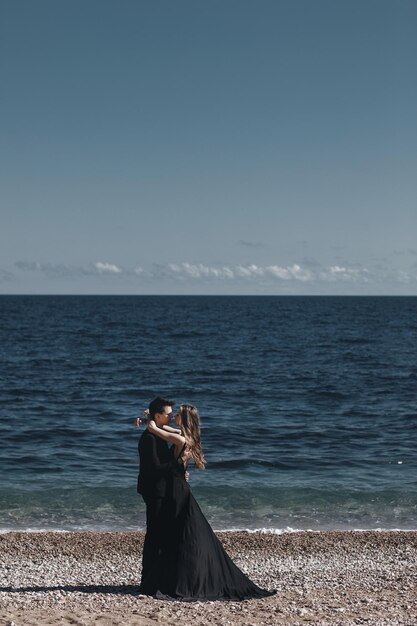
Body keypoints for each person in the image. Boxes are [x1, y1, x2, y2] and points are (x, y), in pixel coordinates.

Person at [139, 403, 275, 601]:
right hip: (179, 489)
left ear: (184, 419)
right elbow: (162, 428)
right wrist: (148, 418)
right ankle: (172, 575)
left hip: (176, 491)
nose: (173, 416)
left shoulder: (179, 438)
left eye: (176, 414)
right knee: (182, 533)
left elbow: (154, 429)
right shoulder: (185, 435)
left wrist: (149, 421)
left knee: (181, 534)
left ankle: (181, 578)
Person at [136, 396, 179, 588]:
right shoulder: (149, 439)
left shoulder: (157, 432)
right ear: (158, 415)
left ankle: (157, 578)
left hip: (160, 489)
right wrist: (177, 463)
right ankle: (148, 580)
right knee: (154, 534)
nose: (170, 417)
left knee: (160, 533)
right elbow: (154, 468)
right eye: (168, 415)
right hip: (154, 491)